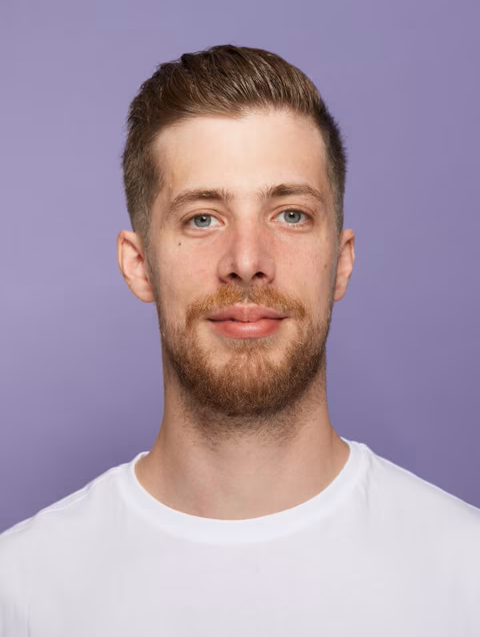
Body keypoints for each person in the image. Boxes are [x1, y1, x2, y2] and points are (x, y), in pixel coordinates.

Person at [0, 44, 479, 636]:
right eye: (202, 217)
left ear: (342, 261)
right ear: (139, 264)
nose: (248, 261)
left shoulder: (466, 574)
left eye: (291, 214)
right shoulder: (22, 591)